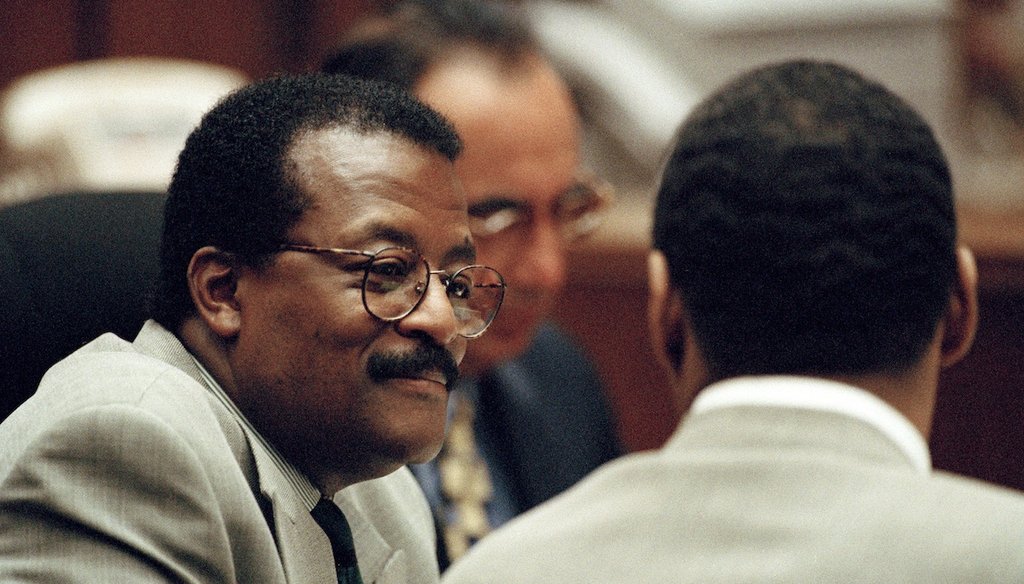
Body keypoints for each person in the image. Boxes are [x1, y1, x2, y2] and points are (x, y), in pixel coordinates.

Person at [441, 60, 1024, 583]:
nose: (545, 271)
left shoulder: (500, 571)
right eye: (498, 214)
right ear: (960, 308)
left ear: (665, 312)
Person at [0, 73, 506, 583]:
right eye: (388, 271)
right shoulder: (123, 445)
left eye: (457, 286)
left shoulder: (383, 493)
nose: (441, 321)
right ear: (223, 291)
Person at [322, 0, 622, 569]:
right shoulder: (300, 421)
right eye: (497, 216)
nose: (545, 271)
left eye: (566, 207)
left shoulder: (560, 379)